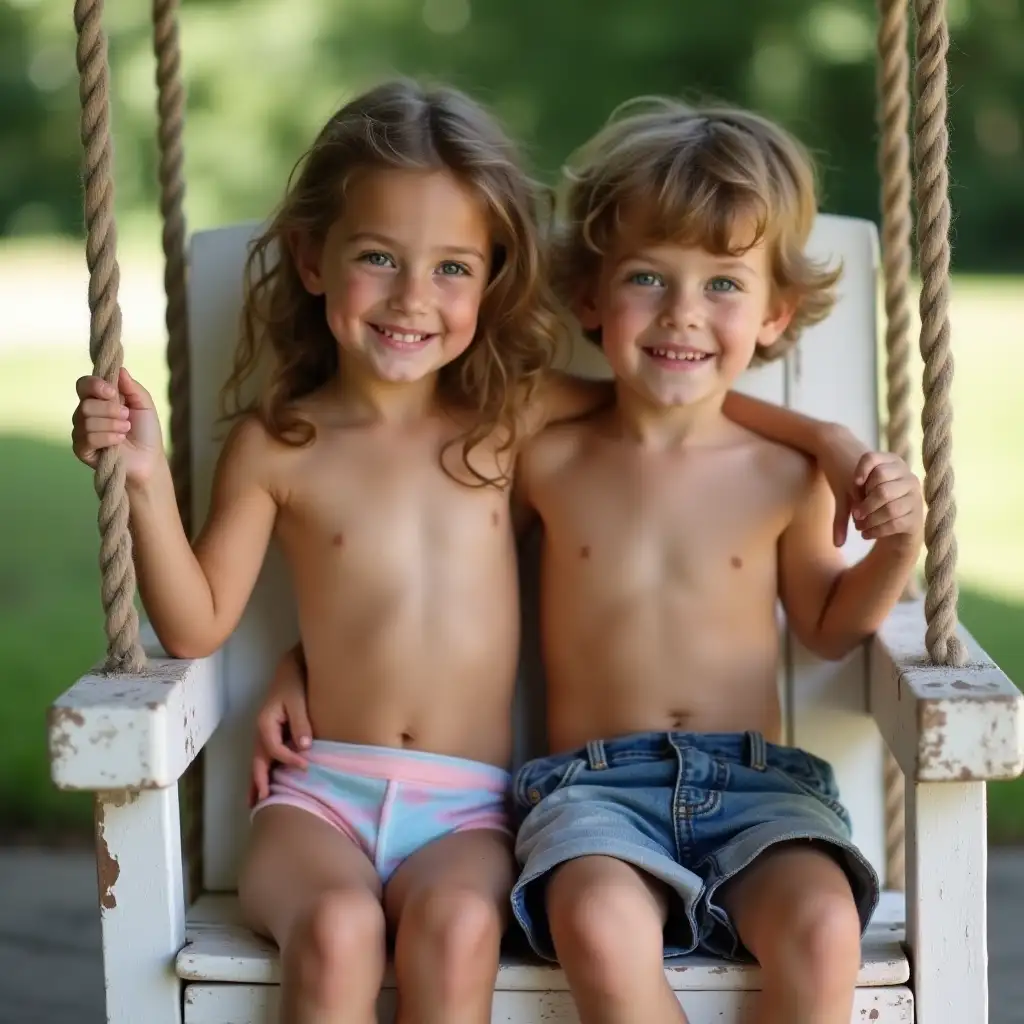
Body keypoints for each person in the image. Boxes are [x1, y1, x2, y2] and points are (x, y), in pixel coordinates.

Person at [72, 80, 881, 1024]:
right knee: (335, 932)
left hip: (466, 808)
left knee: (458, 929)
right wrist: (144, 479)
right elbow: (197, 619)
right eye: (379, 257)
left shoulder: (508, 422)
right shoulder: (278, 443)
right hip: (320, 790)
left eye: (452, 268)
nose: (414, 298)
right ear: (311, 257)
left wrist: (824, 438)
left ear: (491, 277)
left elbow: (675, 392)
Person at [506, 99, 924, 1024]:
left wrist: (896, 549)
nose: (683, 314)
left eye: (723, 286)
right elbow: (446, 576)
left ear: (776, 313)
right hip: (593, 789)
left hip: (759, 788)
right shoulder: (548, 456)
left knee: (822, 927)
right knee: (597, 919)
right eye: (648, 278)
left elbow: (827, 629)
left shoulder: (782, 475)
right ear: (590, 297)